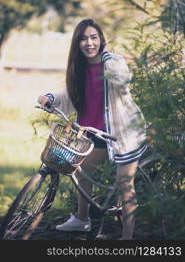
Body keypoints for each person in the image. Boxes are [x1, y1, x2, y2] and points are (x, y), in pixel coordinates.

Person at [38, 18, 147, 239]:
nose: (89, 43)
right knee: (83, 172)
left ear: (101, 39)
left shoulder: (112, 62)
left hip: (122, 134)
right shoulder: (80, 69)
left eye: (93, 37)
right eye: (83, 38)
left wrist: (108, 58)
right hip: (93, 133)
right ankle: (81, 219)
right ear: (77, 43)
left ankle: (127, 238)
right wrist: (50, 97)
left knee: (125, 186)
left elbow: (123, 81)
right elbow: (69, 94)